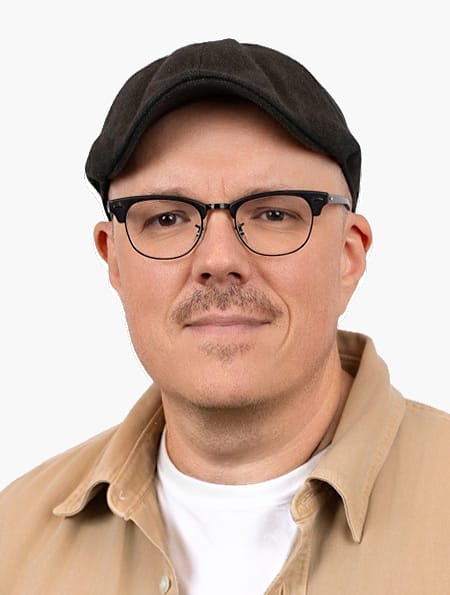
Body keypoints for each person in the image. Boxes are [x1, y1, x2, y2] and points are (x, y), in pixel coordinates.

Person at [0, 38, 449, 595]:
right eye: (166, 218)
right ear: (114, 260)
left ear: (348, 255)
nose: (217, 259)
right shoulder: (12, 541)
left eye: (274, 213)